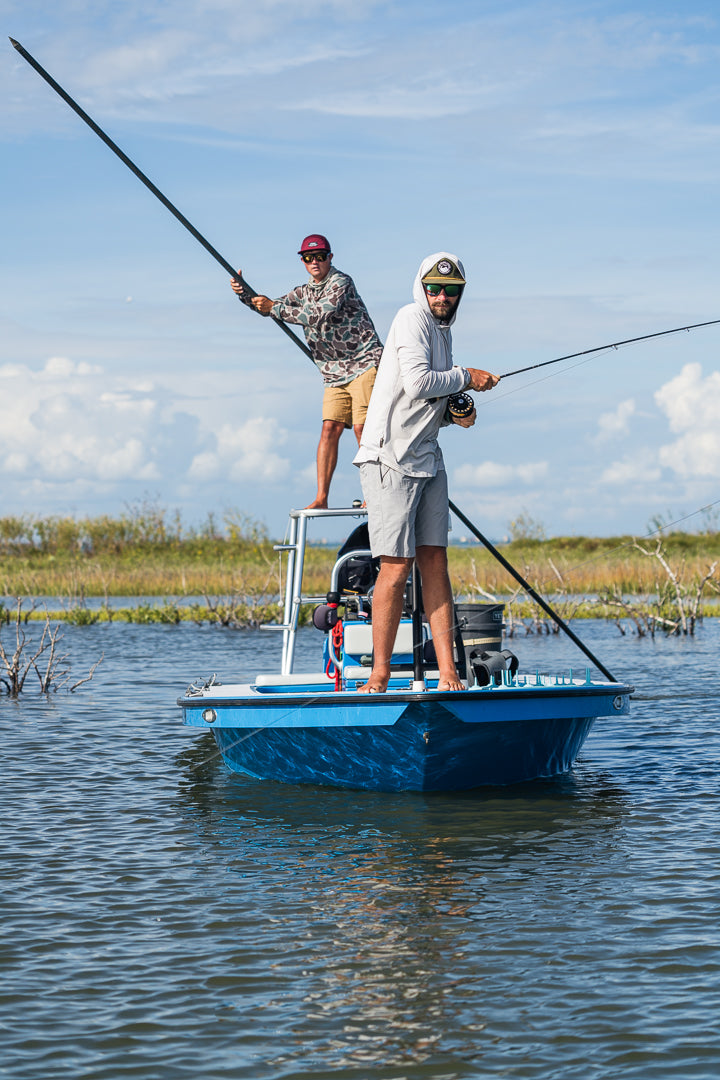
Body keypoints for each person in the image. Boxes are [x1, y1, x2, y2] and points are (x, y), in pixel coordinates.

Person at [353, 252, 499, 693]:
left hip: (428, 458)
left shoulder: (443, 332)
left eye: (450, 291)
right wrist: (467, 377)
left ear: (459, 295)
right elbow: (418, 382)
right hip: (389, 459)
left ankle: (449, 673)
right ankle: (378, 674)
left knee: (435, 561)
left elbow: (424, 400)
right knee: (396, 568)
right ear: (422, 288)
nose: (441, 296)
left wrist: (457, 414)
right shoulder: (411, 318)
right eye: (434, 288)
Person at [231, 234, 383, 509]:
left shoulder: (341, 282)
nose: (315, 262)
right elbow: (269, 307)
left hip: (364, 363)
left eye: (320, 256)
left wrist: (274, 307)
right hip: (333, 373)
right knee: (329, 429)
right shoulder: (301, 292)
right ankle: (321, 498)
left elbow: (318, 313)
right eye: (308, 258)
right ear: (303, 262)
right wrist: (245, 294)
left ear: (330, 258)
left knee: (363, 429)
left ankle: (374, 494)